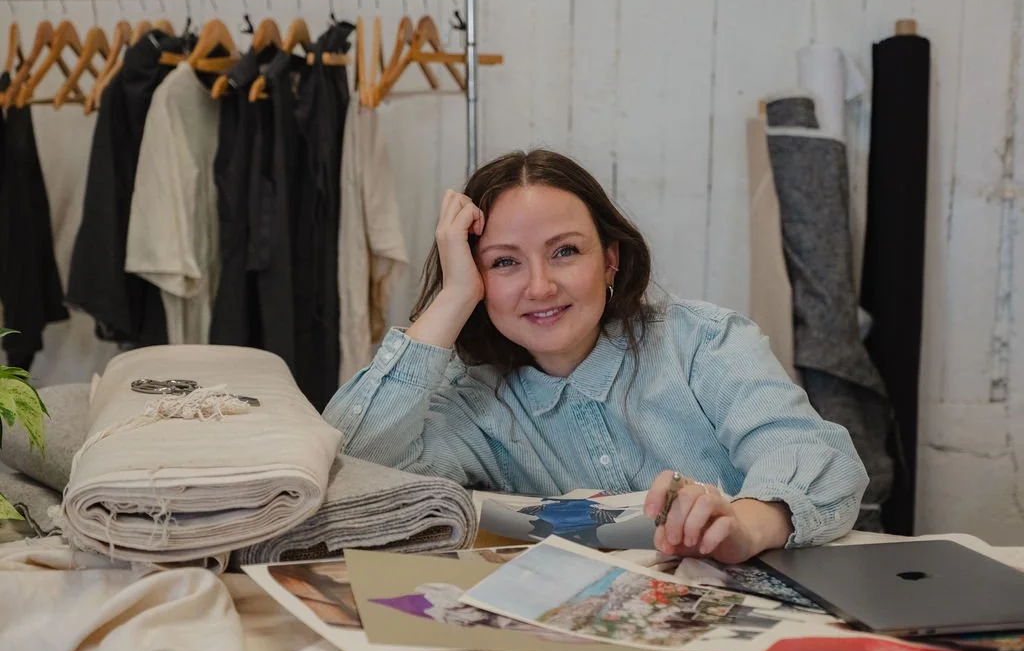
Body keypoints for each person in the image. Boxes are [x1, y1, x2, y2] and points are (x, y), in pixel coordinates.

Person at [323, 149, 868, 564]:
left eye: (565, 252)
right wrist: (453, 297)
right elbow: (351, 463)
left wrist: (745, 526)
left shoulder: (703, 343)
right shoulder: (470, 400)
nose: (540, 286)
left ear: (609, 259)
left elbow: (820, 458)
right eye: (504, 262)